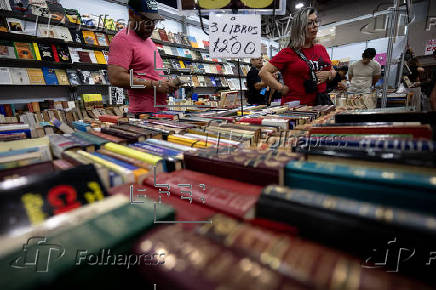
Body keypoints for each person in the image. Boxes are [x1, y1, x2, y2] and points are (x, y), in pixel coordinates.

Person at [107, 0, 180, 116]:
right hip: (143, 114)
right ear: (131, 13)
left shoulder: (149, 41)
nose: (151, 25)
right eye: (146, 19)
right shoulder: (123, 39)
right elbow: (116, 77)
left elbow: (150, 74)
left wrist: (167, 83)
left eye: (154, 21)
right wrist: (155, 85)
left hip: (160, 111)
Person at [259, 7, 335, 106]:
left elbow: (332, 69)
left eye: (316, 21)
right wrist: (281, 88)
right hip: (296, 107)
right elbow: (263, 72)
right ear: (300, 27)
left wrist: (330, 74)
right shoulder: (288, 52)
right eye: (310, 23)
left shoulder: (321, 49)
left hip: (320, 103)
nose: (315, 25)